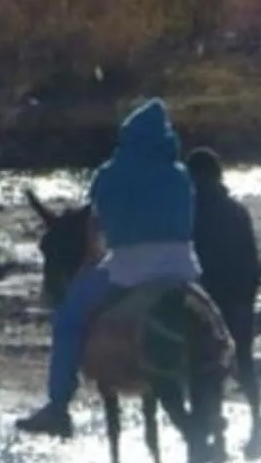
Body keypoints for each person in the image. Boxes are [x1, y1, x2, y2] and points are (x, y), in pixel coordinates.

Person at [17, 98, 200, 436]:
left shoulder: (109, 174)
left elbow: (95, 232)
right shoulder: (181, 175)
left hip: (129, 267)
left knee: (68, 319)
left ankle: (58, 407)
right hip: (182, 267)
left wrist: (89, 266)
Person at [186, 146, 261, 459]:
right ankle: (255, 420)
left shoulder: (191, 211)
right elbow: (251, 257)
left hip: (209, 296)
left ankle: (217, 430)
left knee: (205, 363)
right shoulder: (236, 210)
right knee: (242, 360)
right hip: (238, 294)